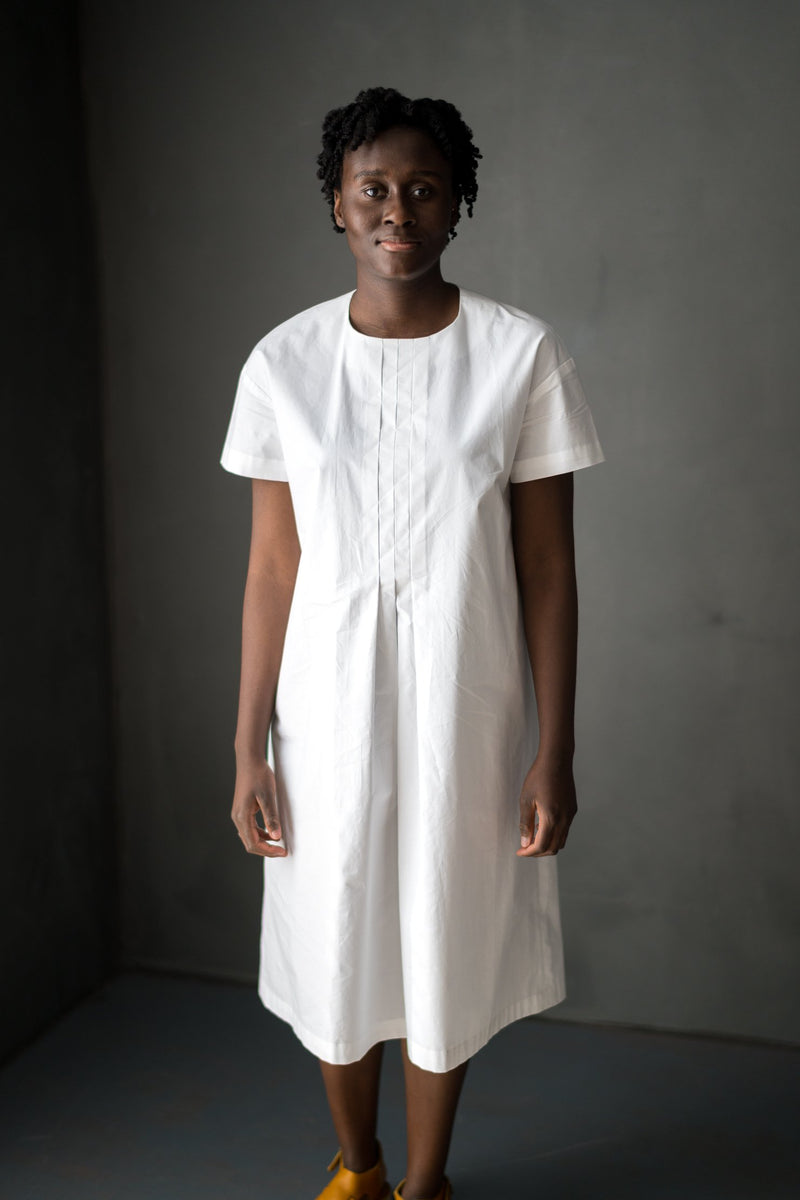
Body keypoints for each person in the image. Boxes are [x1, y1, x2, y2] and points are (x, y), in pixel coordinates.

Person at [221, 86, 604, 1200]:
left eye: (423, 189)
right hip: (320, 713)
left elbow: (548, 570)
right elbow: (272, 569)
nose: (398, 210)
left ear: (456, 203)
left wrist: (553, 749)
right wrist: (247, 747)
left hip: (462, 708)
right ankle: (362, 1168)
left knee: (443, 939)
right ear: (336, 204)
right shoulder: (284, 364)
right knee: (335, 938)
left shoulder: (518, 356)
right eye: (373, 189)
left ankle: (426, 1184)